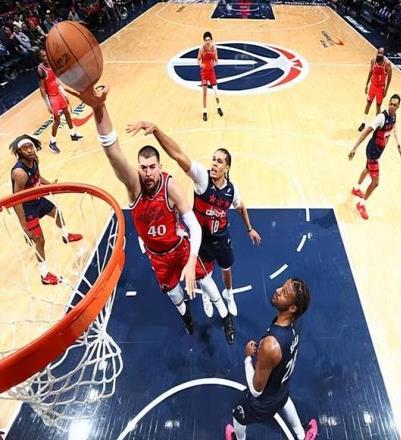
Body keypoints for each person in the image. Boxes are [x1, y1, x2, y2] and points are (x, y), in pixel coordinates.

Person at [67, 86, 234, 342]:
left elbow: (193, 226)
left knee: (208, 283)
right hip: (157, 255)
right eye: (143, 167)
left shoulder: (170, 186)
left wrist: (191, 260)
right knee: (174, 295)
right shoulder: (134, 186)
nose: (147, 172)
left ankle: (225, 317)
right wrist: (99, 108)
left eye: (152, 167)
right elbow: (113, 153)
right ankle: (187, 317)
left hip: (179, 247)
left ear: (159, 167)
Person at [126, 121, 261, 318]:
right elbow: (178, 155)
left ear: (227, 168)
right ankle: (207, 296)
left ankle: (228, 294)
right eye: (213, 159)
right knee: (204, 275)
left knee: (226, 269)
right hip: (202, 238)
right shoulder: (202, 178)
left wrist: (249, 228)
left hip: (222, 237)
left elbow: (240, 207)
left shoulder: (232, 190)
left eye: (219, 161)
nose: (214, 164)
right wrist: (156, 130)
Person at [225, 278, 318, 440]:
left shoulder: (270, 345)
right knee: (284, 400)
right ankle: (302, 436)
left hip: (263, 402)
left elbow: (256, 390)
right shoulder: (295, 326)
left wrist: (247, 358)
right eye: (282, 286)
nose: (277, 290)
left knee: (238, 415)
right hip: (281, 389)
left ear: (292, 308)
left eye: (284, 292)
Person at [9, 134, 83, 285]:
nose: (29, 150)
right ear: (19, 152)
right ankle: (44, 275)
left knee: (58, 213)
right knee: (40, 240)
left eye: (30, 147)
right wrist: (24, 227)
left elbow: (38, 177)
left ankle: (66, 236)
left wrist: (51, 186)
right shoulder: (20, 173)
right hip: (27, 207)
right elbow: (17, 201)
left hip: (38, 200)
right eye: (25, 148)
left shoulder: (34, 160)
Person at [349, 94, 401, 220]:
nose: (392, 106)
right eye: (390, 103)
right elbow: (366, 132)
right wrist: (354, 148)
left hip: (378, 151)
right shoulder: (381, 118)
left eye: (394, 105)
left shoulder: (394, 116)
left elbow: (394, 129)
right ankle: (361, 204)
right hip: (372, 151)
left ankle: (356, 189)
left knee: (367, 169)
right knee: (375, 182)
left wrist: (398, 144)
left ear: (398, 106)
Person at [37, 49, 82, 154]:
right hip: (52, 97)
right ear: (40, 58)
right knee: (57, 121)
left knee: (67, 113)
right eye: (43, 56)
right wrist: (47, 104)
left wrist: (64, 93)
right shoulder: (40, 70)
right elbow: (42, 89)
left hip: (58, 93)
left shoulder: (51, 64)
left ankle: (73, 134)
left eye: (46, 55)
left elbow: (56, 80)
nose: (46, 57)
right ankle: (52, 142)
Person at [358, 47, 392, 132]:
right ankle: (363, 122)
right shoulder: (373, 61)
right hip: (372, 86)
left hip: (380, 88)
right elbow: (370, 72)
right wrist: (366, 84)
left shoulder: (387, 64)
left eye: (381, 53)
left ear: (383, 54)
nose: (379, 54)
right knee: (368, 103)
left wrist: (386, 90)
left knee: (378, 106)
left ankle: (377, 125)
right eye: (378, 53)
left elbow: (389, 77)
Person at [198, 31, 223, 122]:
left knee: (216, 91)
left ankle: (219, 107)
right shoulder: (201, 49)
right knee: (205, 93)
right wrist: (201, 64)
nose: (207, 41)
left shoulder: (214, 49)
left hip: (211, 72)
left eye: (209, 39)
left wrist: (214, 64)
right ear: (204, 41)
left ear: (211, 40)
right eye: (206, 40)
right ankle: (204, 111)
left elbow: (216, 60)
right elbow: (198, 59)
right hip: (204, 73)